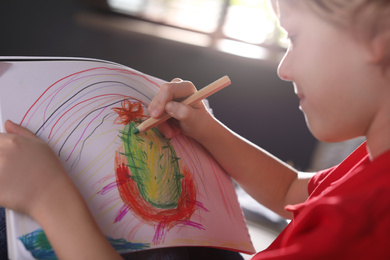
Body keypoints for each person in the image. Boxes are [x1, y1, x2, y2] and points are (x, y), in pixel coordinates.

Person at [0, 0, 390, 259]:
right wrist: (207, 129)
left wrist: (47, 197)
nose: (283, 68)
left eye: (295, 36)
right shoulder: (375, 165)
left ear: (380, 39)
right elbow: (292, 192)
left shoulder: (362, 224)